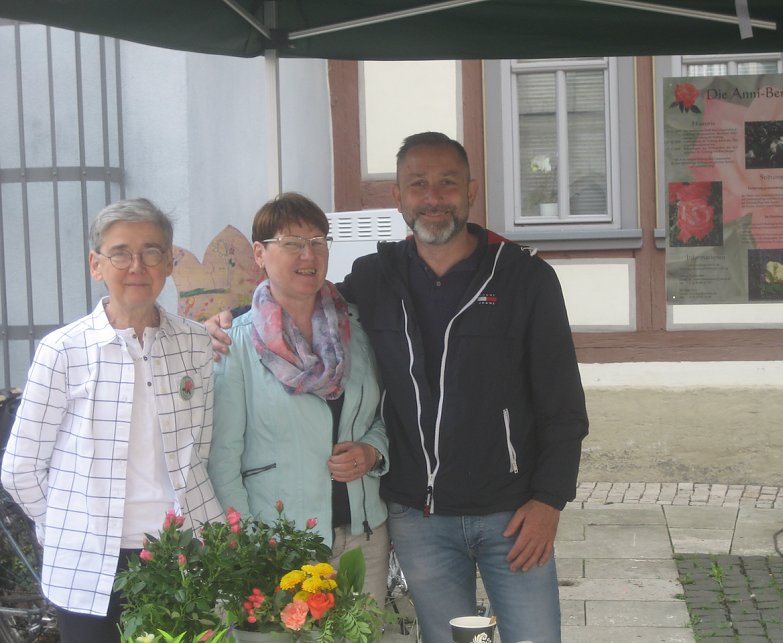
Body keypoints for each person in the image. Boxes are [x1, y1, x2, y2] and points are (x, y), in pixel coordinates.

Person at [207, 133, 589, 643]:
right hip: (419, 518)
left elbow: (564, 406)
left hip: (512, 515)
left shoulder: (524, 278)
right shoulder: (376, 276)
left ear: (470, 191)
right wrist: (232, 319)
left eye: (447, 183)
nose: (433, 197)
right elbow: (303, 301)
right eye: (418, 184)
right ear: (399, 198)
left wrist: (549, 502)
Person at [1, 198, 224, 643]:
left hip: (180, 553)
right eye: (120, 252)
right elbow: (20, 468)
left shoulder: (196, 344)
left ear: (169, 262)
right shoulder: (63, 351)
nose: (137, 265)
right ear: (96, 264)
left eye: (152, 251)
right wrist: (64, 524)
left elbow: (197, 450)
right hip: (88, 565)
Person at [207, 192, 390, 603]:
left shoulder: (357, 330)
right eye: (292, 243)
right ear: (260, 253)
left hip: (364, 537)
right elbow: (222, 461)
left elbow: (382, 415)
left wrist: (373, 451)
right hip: (281, 546)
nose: (308, 254)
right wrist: (250, 546)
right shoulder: (235, 343)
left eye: (318, 241)